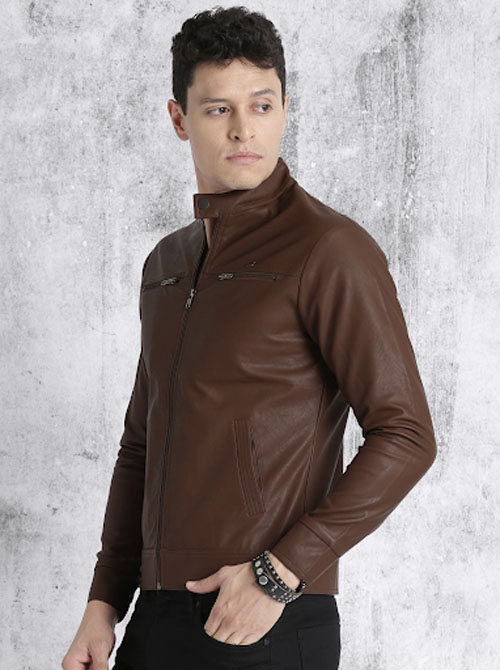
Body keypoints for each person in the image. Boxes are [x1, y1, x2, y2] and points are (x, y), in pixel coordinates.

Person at [61, 6, 437, 670]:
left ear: (285, 109)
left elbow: (406, 434)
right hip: (154, 618)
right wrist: (104, 601)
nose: (243, 129)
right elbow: (141, 445)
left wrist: (280, 573)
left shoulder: (329, 249)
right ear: (179, 118)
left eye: (262, 105)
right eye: (218, 109)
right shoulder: (167, 263)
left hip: (267, 620)